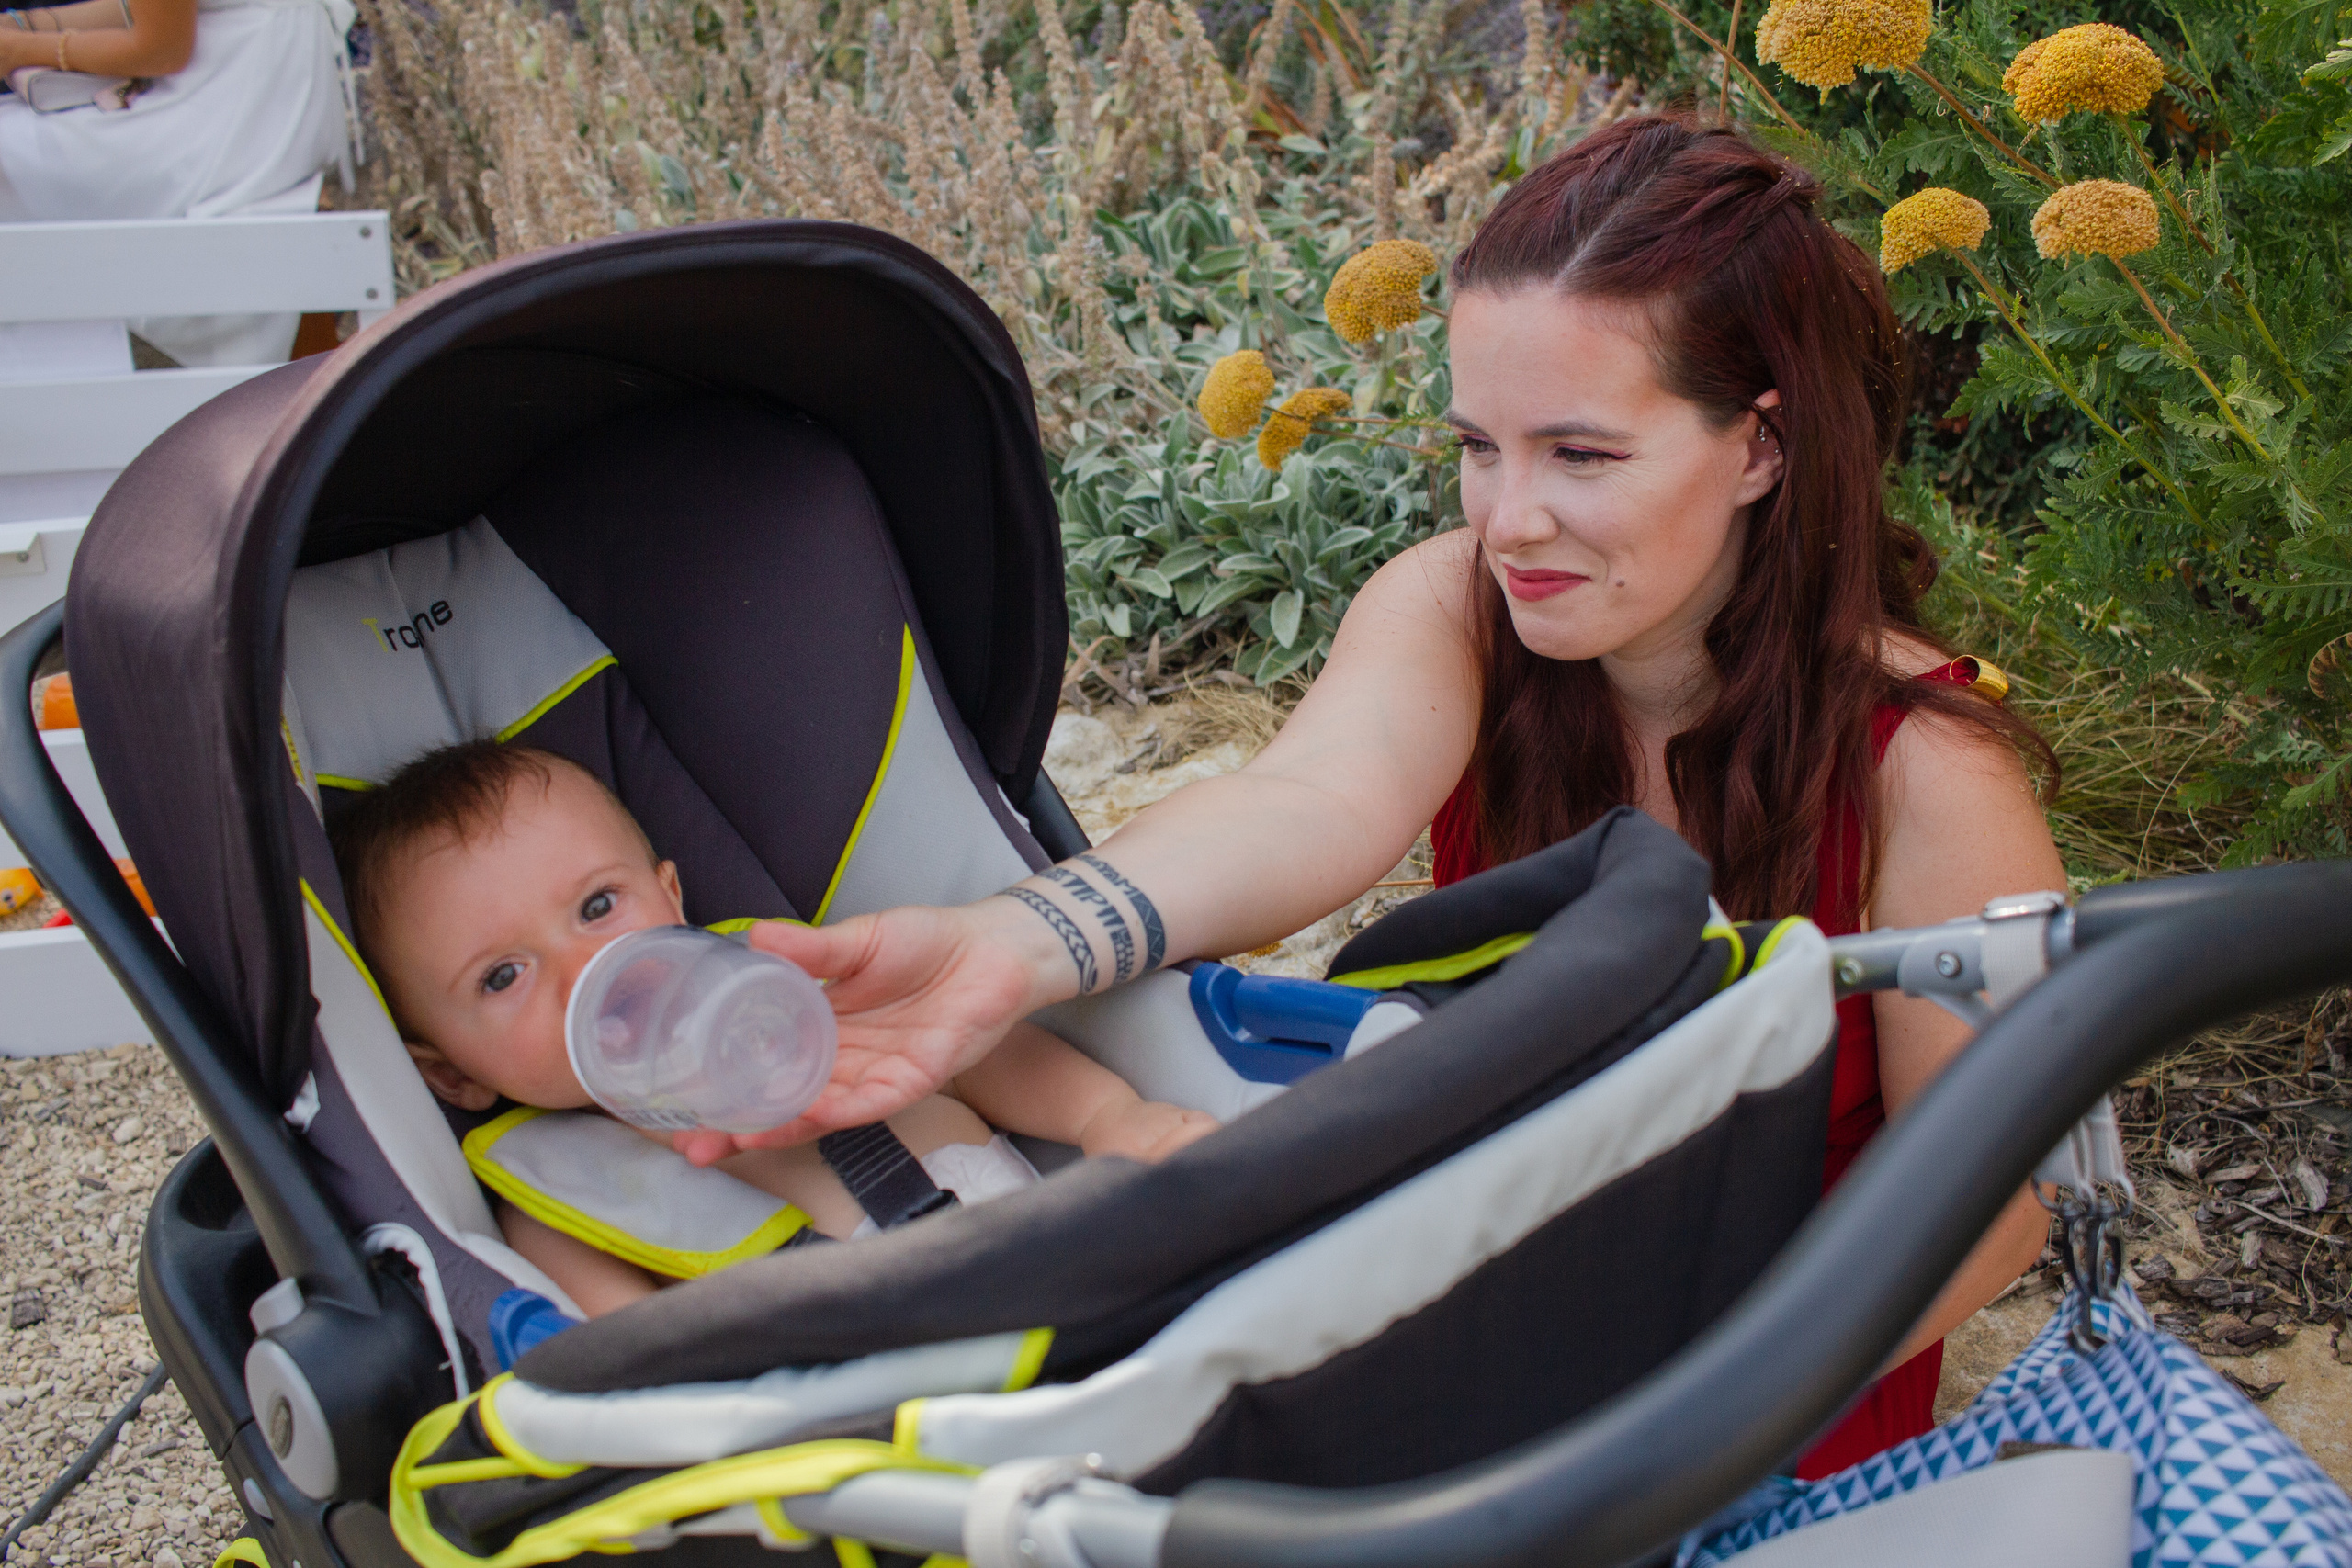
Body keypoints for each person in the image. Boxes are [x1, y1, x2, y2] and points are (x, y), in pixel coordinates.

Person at [714, 115, 2063, 1475]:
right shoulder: (1461, 608)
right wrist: (1010, 941)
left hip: (1761, 1403)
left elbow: (1997, 1204)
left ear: (1760, 448)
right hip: (1478, 1309)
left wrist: (1686, 1406)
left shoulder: (1928, 769)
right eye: (1481, 444)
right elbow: (1306, 799)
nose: (1508, 517)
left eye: (1580, 455)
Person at [329, 740, 1217, 1318]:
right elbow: (633, 1362)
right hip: (881, 1413)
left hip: (1073, 1258)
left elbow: (983, 1051)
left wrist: (1110, 1120)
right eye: (502, 976)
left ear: (672, 899)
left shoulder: (787, 984)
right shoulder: (549, 1205)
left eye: (599, 906)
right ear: (453, 1077)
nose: (578, 977)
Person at [0, 0, 356, 367]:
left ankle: (55, 394)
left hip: (234, 117)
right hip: (253, 92)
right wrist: (26, 24)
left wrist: (17, 48)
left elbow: (160, 50)